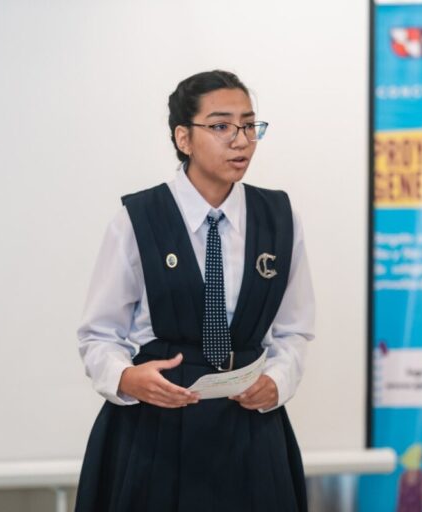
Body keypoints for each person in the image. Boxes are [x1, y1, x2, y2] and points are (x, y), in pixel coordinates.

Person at [74, 70, 315, 512]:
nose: (241, 141)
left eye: (249, 125)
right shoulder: (138, 219)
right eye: (221, 126)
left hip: (250, 429)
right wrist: (126, 378)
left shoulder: (279, 219)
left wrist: (278, 383)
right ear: (183, 138)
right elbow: (99, 334)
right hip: (156, 430)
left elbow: (294, 330)